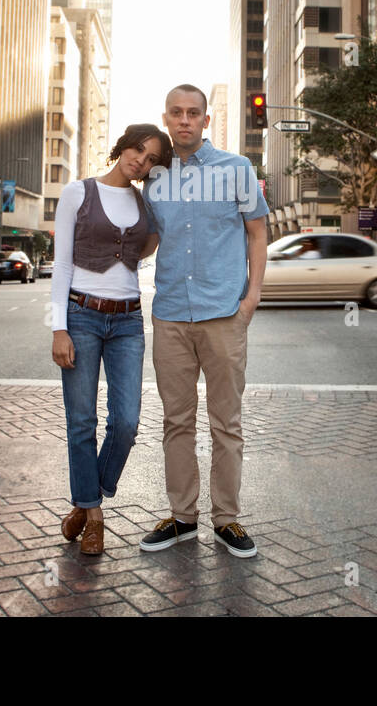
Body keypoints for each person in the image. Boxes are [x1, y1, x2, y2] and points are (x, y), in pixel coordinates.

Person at [139, 85, 269, 558]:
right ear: (166, 117)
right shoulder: (154, 177)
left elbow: (258, 234)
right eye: (176, 112)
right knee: (176, 421)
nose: (185, 120)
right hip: (171, 312)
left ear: (206, 120)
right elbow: (151, 239)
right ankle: (182, 518)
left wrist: (251, 298)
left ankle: (227, 520)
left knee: (225, 423)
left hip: (223, 314)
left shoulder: (236, 169)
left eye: (194, 113)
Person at [51, 124, 171, 555]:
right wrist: (58, 327)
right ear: (123, 147)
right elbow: (61, 264)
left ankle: (87, 498)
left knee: (127, 422)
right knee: (81, 421)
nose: (141, 159)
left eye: (152, 158)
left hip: (127, 322)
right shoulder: (77, 193)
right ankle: (95, 517)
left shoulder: (145, 202)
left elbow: (148, 246)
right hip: (81, 315)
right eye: (138, 149)